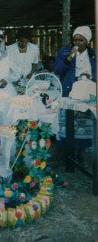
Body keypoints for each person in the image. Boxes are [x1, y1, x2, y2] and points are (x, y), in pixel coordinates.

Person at [53, 25, 96, 164]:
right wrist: (68, 58)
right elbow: (57, 70)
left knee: (84, 123)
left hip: (87, 92)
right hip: (70, 90)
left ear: (87, 41)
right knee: (66, 122)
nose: (77, 43)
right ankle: (62, 151)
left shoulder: (93, 55)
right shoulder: (64, 52)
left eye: (80, 40)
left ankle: (81, 152)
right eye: (75, 40)